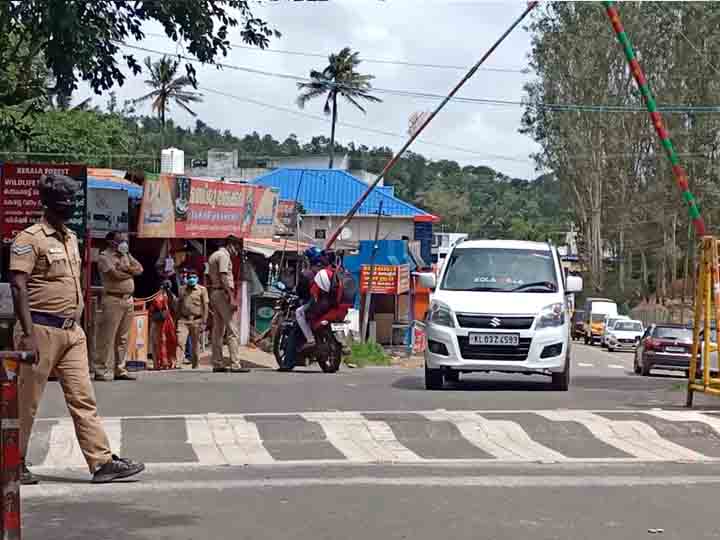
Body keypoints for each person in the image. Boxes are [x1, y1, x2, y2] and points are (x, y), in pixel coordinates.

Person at [9, 173, 145, 485]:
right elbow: (18, 285)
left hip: (72, 332)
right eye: (63, 201)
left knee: (84, 399)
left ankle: (101, 462)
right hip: (40, 329)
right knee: (25, 402)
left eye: (72, 200)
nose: (69, 205)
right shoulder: (29, 238)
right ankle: (12, 462)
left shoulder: (71, 238)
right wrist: (27, 334)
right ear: (48, 203)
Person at [95, 231, 143, 381]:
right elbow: (115, 275)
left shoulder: (126, 255)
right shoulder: (104, 257)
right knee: (106, 336)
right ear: (111, 241)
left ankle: (120, 369)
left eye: (125, 240)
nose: (124, 243)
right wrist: (130, 272)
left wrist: (126, 270)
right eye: (120, 240)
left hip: (128, 300)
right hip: (112, 300)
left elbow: (140, 269)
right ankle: (100, 370)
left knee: (123, 337)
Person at [207, 235, 248, 373]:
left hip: (214, 292)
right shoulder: (224, 256)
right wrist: (231, 297)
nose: (236, 252)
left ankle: (217, 363)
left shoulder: (214, 255)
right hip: (224, 294)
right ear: (231, 245)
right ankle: (235, 364)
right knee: (232, 330)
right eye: (237, 248)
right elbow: (224, 276)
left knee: (217, 331)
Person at [175, 270, 209, 369]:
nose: (191, 279)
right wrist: (176, 319)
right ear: (186, 278)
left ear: (197, 279)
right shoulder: (182, 289)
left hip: (197, 320)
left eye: (194, 277)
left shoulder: (202, 290)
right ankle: (178, 364)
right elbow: (179, 305)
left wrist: (204, 322)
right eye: (190, 277)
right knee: (180, 342)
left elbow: (206, 306)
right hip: (183, 320)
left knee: (195, 344)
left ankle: (195, 364)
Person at [148, 282, 177, 370]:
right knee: (168, 342)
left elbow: (154, 308)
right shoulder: (172, 297)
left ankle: (159, 364)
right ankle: (168, 363)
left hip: (159, 322)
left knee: (157, 343)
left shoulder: (159, 297)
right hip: (169, 322)